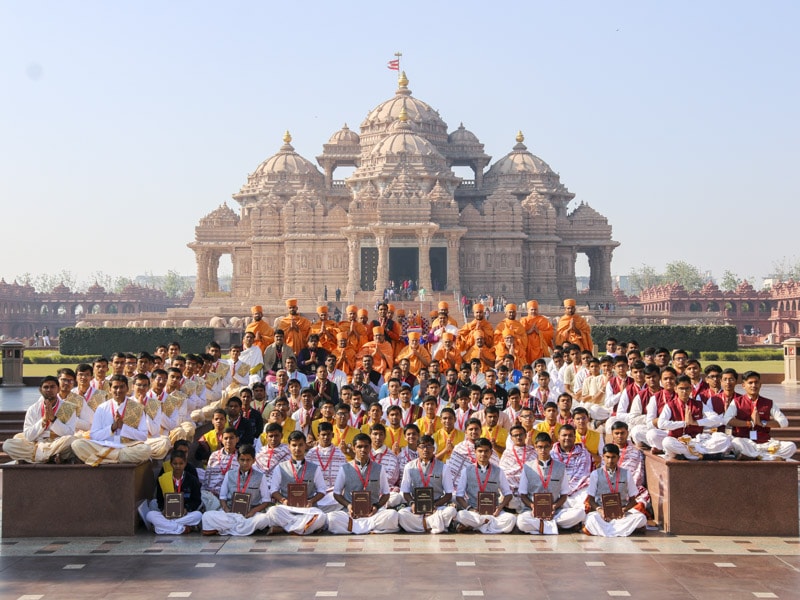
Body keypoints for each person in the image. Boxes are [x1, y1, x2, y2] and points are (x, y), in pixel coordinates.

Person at [71, 375, 152, 465]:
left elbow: (143, 436)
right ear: (110, 389)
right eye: (115, 387)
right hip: (104, 445)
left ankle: (104, 459)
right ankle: (115, 458)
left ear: (127, 389)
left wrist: (122, 427)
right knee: (77, 444)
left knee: (146, 450)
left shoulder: (138, 408)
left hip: (127, 447)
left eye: (122, 387)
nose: (118, 390)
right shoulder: (102, 408)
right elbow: (94, 435)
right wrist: (112, 428)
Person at [329, 433, 400, 534]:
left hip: (372, 513)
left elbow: (386, 494)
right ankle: (369, 528)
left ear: (370, 448)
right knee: (332, 518)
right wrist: (348, 505)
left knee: (392, 515)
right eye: (359, 447)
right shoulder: (344, 468)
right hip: (351, 513)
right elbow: (336, 493)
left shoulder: (379, 469)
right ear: (354, 448)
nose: (363, 450)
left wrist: (376, 507)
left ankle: (352, 527)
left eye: (366, 446)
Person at [3, 376, 78, 463]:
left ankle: (36, 458)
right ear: (40, 390)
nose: (49, 390)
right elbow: (28, 436)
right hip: (36, 444)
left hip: (57, 442)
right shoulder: (33, 409)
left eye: (52, 387)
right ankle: (50, 457)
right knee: (8, 445)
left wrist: (53, 419)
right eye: (46, 387)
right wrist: (43, 420)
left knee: (71, 441)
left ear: (58, 389)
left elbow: (69, 433)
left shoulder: (68, 407)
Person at [201, 444, 272, 536]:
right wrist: (226, 509)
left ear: (254, 461)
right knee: (207, 515)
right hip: (231, 513)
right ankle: (242, 529)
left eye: (248, 460)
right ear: (237, 460)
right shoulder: (229, 474)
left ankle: (226, 529)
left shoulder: (260, 476)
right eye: (242, 460)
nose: (245, 463)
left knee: (264, 519)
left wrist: (252, 512)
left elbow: (266, 500)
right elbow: (222, 497)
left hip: (249, 514)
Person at [725, 370, 797, 460]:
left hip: (765, 443)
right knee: (736, 442)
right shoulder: (737, 402)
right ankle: (768, 458)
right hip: (747, 442)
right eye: (750, 383)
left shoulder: (768, 402)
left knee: (791, 446)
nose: (754, 385)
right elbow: (727, 420)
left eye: (756, 382)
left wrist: (762, 423)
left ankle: (760, 456)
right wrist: (749, 423)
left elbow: (784, 422)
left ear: (760, 384)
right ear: (743, 385)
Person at [266, 431, 327, 535]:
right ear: (289, 446)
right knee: (272, 512)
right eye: (294, 445)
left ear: (305, 446)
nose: (297, 448)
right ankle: (303, 528)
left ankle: (284, 529)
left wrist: (311, 501)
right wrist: (283, 500)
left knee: (321, 517)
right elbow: (273, 490)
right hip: (287, 508)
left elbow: (322, 490)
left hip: (307, 509)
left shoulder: (314, 468)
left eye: (300, 445)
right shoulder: (280, 467)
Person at [659, 375, 731, 460]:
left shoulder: (698, 404)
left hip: (697, 440)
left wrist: (695, 422)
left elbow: (716, 418)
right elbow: (661, 424)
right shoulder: (670, 405)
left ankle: (690, 454)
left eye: (687, 388)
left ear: (691, 389)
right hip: (679, 440)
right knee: (667, 442)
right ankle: (700, 455)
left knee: (724, 438)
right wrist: (684, 423)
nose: (684, 391)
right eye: (681, 388)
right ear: (675, 389)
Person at [583, 444, 647, 537]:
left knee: (641, 518)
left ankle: (605, 531)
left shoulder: (627, 474)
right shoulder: (595, 474)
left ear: (618, 457)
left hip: (622, 514)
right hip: (602, 513)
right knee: (591, 519)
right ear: (603, 457)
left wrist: (624, 510)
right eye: (607, 457)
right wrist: (600, 510)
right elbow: (591, 500)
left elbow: (633, 501)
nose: (610, 461)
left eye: (613, 457)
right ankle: (618, 531)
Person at [454, 437, 515, 533]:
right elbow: (459, 496)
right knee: (461, 515)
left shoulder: (498, 471)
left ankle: (476, 526)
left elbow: (508, 494)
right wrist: (469, 509)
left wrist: (500, 507)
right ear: (475, 452)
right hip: (474, 511)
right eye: (480, 451)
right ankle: (487, 525)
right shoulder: (467, 471)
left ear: (491, 452)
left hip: (494, 512)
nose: (483, 454)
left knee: (511, 519)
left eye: (486, 451)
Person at [397, 434, 457, 534]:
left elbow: (448, 494)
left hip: (436, 506)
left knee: (451, 511)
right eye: (422, 446)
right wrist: (412, 504)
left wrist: (434, 505)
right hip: (416, 506)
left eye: (429, 446)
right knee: (401, 514)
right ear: (417, 449)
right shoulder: (409, 466)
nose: (425, 449)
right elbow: (405, 492)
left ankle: (420, 526)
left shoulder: (443, 467)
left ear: (433, 449)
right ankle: (434, 525)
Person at [517, 432, 572, 534]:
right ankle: (552, 526)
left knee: (579, 513)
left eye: (546, 447)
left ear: (551, 446)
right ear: (535, 447)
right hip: (532, 511)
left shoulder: (560, 467)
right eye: (540, 447)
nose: (543, 450)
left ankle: (541, 525)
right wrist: (533, 506)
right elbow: (523, 494)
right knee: (521, 521)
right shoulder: (528, 467)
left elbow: (564, 495)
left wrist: (554, 507)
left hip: (554, 511)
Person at [145, 450, 203, 535]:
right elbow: (160, 500)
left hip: (184, 515)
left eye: (181, 463)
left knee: (198, 515)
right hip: (167, 515)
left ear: (185, 463)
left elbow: (196, 500)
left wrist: (186, 509)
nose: (178, 466)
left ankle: (161, 529)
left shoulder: (192, 480)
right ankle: (181, 529)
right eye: (175, 464)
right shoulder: (163, 479)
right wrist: (163, 509)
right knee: (149, 515)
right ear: (171, 464)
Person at [307, 421, 349, 513]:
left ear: (332, 435)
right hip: (316, 493)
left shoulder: (340, 454)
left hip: (333, 494)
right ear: (318, 436)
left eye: (328, 434)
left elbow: (345, 477)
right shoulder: (311, 454)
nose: (326, 437)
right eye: (323, 434)